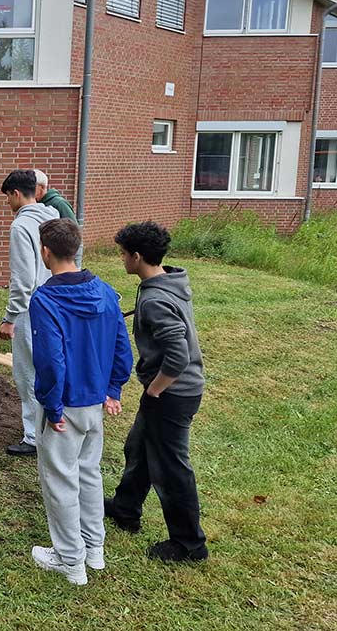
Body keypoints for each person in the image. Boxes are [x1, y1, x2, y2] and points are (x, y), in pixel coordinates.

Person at [28, 219, 133, 585]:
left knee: (60, 481)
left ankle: (70, 562)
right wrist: (114, 388)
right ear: (76, 249)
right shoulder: (105, 291)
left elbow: (51, 360)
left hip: (64, 407)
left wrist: (53, 407)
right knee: (89, 474)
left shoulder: (45, 298)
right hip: (94, 405)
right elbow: (122, 345)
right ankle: (95, 550)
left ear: (45, 252)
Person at [104, 221, 210, 563]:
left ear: (136, 257)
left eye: (122, 254)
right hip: (172, 392)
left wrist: (154, 390)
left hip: (173, 394)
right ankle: (125, 508)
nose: (121, 260)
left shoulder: (155, 300)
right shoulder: (167, 279)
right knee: (138, 446)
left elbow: (178, 355)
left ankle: (189, 544)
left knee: (171, 467)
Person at [0, 169, 59, 457]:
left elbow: (23, 278)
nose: (8, 203)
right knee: (50, 366)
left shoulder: (21, 227)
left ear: (16, 194)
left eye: (8, 197)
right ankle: (53, 424)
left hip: (32, 308)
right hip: (57, 302)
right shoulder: (52, 217)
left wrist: (11, 318)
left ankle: (34, 436)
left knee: (27, 372)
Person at [33, 169, 82, 268]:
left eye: (32, 187)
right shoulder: (37, 205)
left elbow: (74, 233)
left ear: (41, 187)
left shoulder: (59, 204)